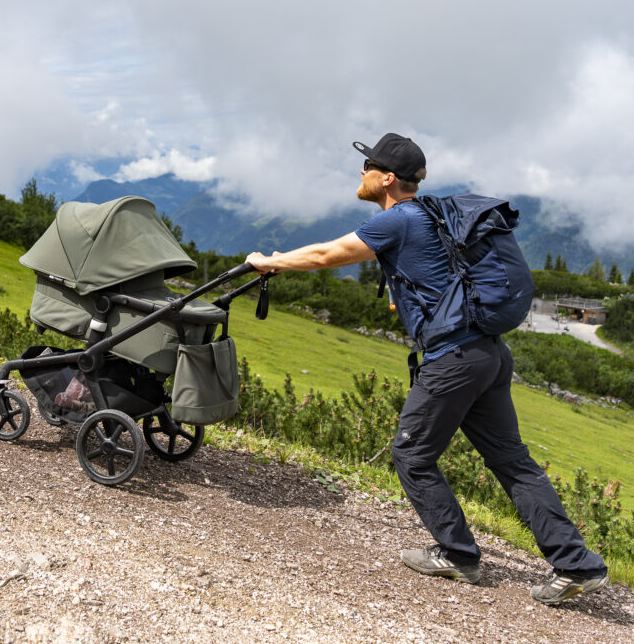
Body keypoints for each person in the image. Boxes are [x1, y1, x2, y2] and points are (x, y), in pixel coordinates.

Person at [245, 132, 608, 604]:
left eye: (368, 167)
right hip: (489, 354)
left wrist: (269, 262)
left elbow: (325, 255)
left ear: (387, 178)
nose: (362, 173)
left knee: (412, 454)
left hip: (455, 360)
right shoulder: (434, 215)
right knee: (511, 460)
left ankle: (458, 555)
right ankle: (576, 564)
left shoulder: (399, 220)